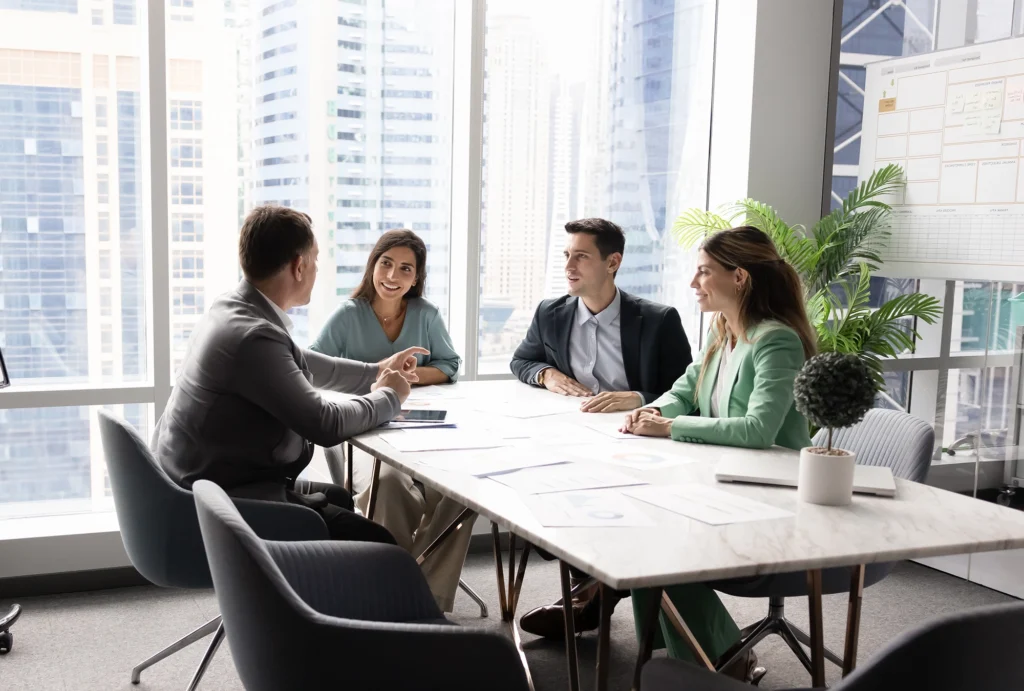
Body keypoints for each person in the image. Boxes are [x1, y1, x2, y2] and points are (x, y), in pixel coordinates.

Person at [153, 205, 424, 545]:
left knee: (340, 500)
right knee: (383, 546)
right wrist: (389, 396)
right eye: (315, 259)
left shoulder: (234, 309)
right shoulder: (253, 337)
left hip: (207, 484)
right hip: (224, 503)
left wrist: (377, 371)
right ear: (299, 266)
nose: (316, 268)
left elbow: (297, 359)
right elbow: (325, 424)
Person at [621, 226, 817, 682]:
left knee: (662, 547)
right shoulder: (724, 331)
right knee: (640, 536)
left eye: (704, 272)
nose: (694, 283)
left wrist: (670, 427)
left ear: (740, 278)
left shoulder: (776, 340)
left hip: (773, 498)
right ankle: (673, 660)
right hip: (722, 480)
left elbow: (758, 429)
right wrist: (651, 410)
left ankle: (722, 659)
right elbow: (684, 390)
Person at [510, 217, 693, 639]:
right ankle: (593, 588)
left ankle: (593, 595)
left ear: (613, 262)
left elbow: (690, 388)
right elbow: (521, 360)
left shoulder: (658, 320)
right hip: (571, 438)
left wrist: (641, 396)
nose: (569, 265)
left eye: (581, 256)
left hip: (638, 443)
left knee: (607, 501)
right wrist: (547, 375)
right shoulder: (551, 312)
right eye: (566, 255)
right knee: (536, 491)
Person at [310, 229, 471, 612]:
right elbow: (313, 368)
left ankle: (423, 598)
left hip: (419, 427)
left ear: (416, 278)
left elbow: (449, 365)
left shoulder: (426, 315)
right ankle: (388, 594)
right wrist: (381, 380)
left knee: (461, 494)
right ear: (373, 265)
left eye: (405, 269)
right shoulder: (349, 315)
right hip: (364, 431)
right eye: (386, 264)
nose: (392, 276)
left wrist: (411, 379)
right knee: (389, 483)